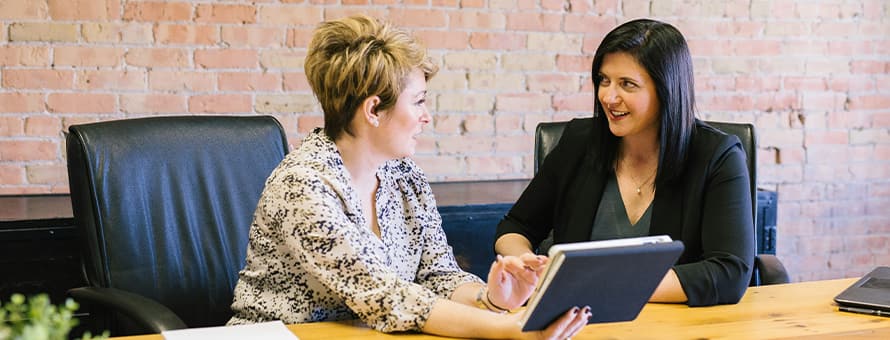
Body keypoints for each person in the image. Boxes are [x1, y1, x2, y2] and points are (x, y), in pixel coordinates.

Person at [227, 15, 590, 339]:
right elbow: (384, 296)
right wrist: (509, 328)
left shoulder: (404, 176)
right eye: (418, 101)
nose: (426, 116)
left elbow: (437, 275)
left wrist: (491, 298)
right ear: (373, 110)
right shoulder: (303, 185)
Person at [494, 18, 755, 307]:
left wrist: (601, 285)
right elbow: (515, 227)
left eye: (627, 84)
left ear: (666, 90)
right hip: (577, 323)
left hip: (676, 326)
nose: (608, 96)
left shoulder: (717, 155)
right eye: (604, 80)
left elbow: (730, 272)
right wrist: (524, 264)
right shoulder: (579, 142)